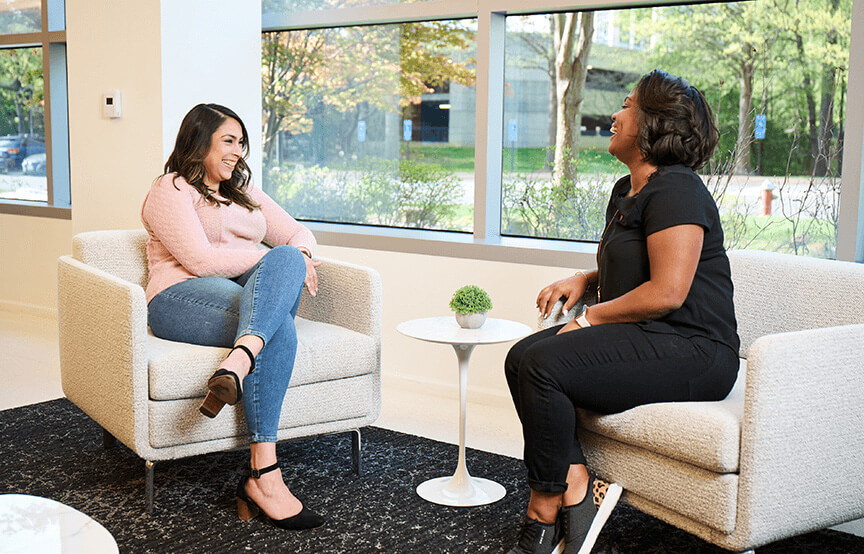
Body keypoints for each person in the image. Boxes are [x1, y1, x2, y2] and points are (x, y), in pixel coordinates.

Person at [504, 70, 740, 554]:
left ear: (652, 124)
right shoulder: (625, 190)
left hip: (695, 348)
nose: (614, 114)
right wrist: (584, 281)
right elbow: (636, 267)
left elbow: (668, 292)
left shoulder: (678, 188)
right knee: (522, 355)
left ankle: (543, 508)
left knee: (544, 364)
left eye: (627, 106)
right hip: (651, 335)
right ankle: (574, 485)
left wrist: (588, 319)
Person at [141, 103, 324, 531]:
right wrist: (264, 262)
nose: (238, 151)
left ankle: (240, 359)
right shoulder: (171, 188)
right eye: (228, 141)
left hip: (245, 301)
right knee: (279, 327)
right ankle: (264, 477)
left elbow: (300, 234)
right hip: (179, 299)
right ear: (199, 140)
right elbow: (200, 260)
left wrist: (296, 258)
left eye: (241, 143)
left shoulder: (244, 192)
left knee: (287, 256)